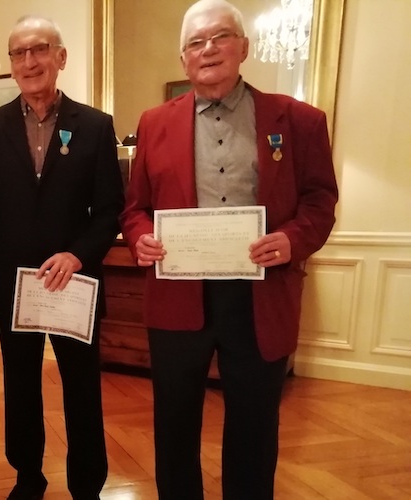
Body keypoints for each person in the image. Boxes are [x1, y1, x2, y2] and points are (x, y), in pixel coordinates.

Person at [120, 1, 339, 498]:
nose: (208, 49)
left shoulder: (300, 120)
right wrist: (140, 237)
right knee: (174, 422)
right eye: (195, 42)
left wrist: (292, 240)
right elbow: (135, 208)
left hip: (261, 298)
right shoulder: (153, 123)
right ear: (183, 59)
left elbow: (321, 200)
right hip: (179, 297)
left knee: (255, 425)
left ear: (244, 47)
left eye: (220, 37)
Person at [0, 16, 124, 500]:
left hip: (74, 285)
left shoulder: (96, 126)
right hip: (15, 288)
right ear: (11, 64)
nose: (29, 61)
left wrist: (78, 255)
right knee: (20, 388)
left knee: (82, 390)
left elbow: (109, 211)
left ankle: (87, 486)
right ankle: (27, 478)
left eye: (39, 49)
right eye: (19, 52)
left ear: (60, 57)